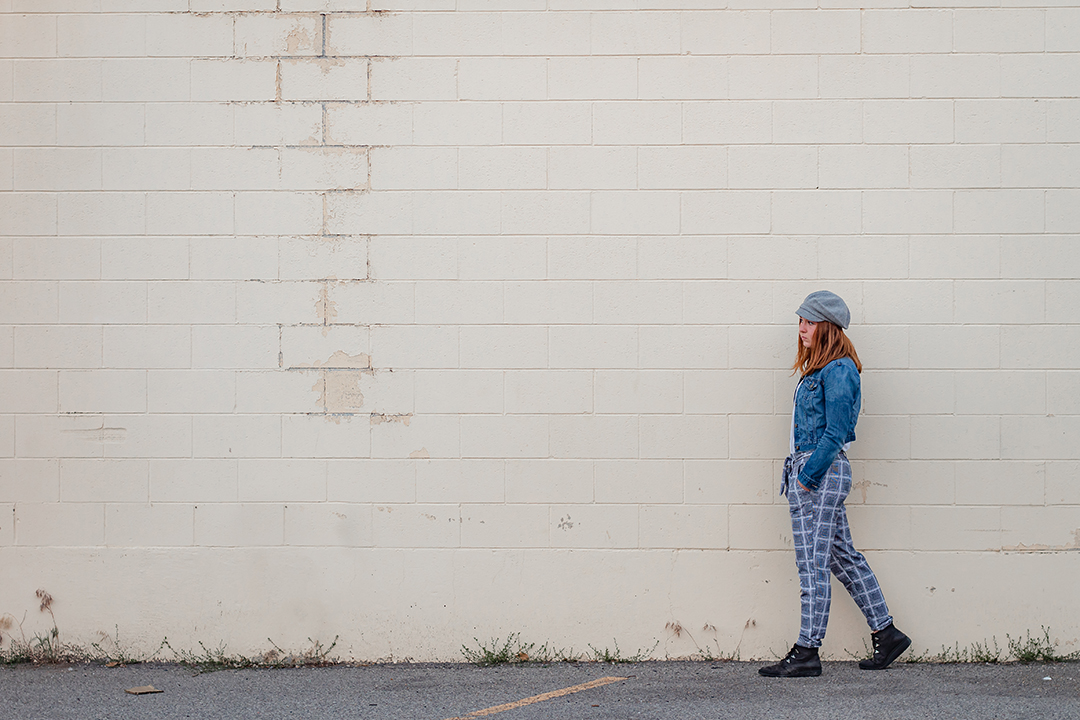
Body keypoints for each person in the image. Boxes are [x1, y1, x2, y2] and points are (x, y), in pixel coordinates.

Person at [759, 290, 911, 678]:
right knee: (842, 558)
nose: (801, 329)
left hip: (819, 471)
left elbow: (837, 431)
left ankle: (807, 650)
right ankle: (887, 632)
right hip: (812, 470)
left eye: (809, 322)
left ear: (827, 327)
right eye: (800, 321)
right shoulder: (819, 368)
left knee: (812, 564)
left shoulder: (839, 369)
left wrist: (807, 478)